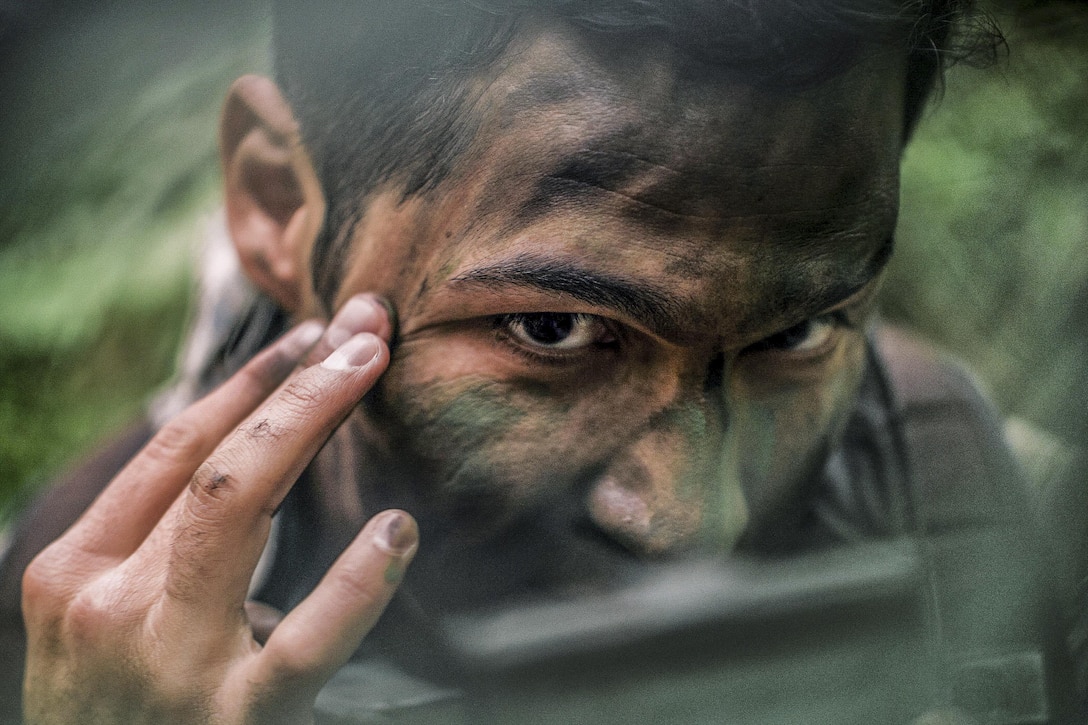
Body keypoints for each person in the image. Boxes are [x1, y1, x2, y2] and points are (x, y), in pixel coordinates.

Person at [0, 0, 1081, 722]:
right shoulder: (80, 638)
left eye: (794, 333)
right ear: (279, 203)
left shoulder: (989, 509)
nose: (695, 520)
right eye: (552, 330)